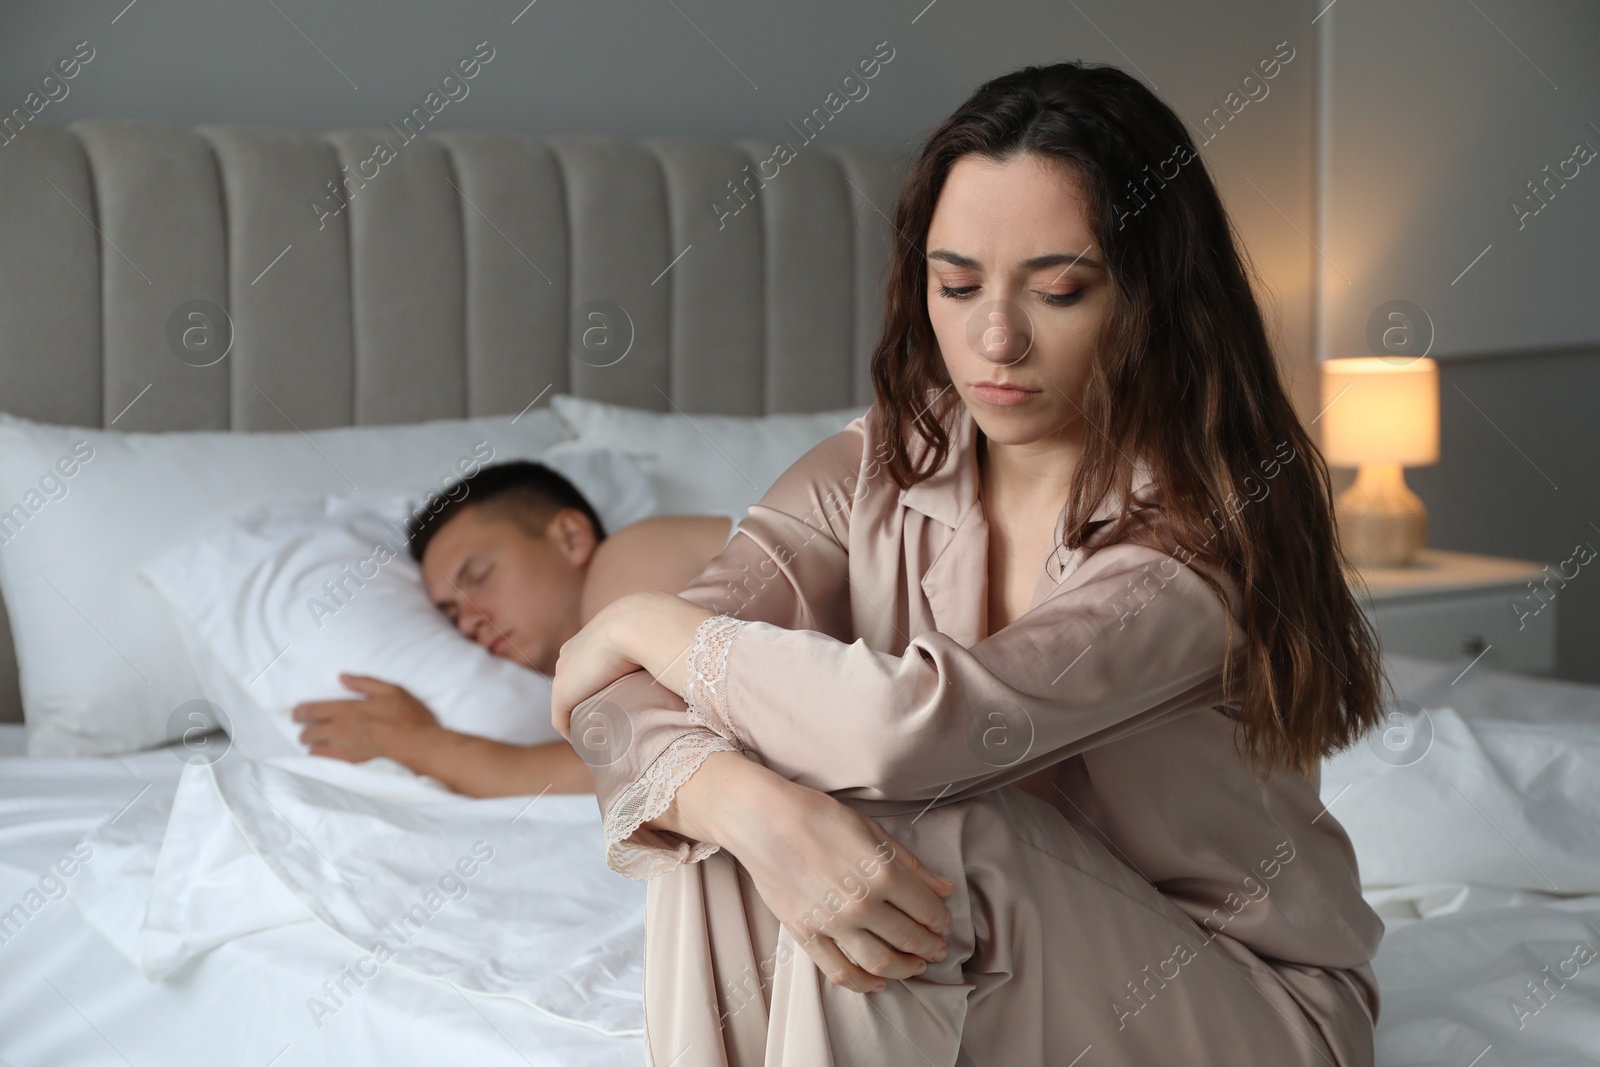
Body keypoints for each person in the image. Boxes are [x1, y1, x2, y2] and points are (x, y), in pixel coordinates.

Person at [547, 61, 1389, 1066]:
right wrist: (750, 809)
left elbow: (906, 732)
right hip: (999, 967)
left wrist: (640, 616)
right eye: (956, 283)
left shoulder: (1195, 539)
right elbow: (611, 709)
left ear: (1150, 297)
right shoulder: (876, 464)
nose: (996, 337)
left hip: (1238, 1005)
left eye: (1060, 289)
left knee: (906, 833)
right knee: (728, 823)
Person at [290, 460, 736, 797]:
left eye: (479, 576)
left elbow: (645, 758)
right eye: (448, 614)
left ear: (571, 538)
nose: (466, 620)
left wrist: (417, 745)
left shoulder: (628, 557)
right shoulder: (585, 684)